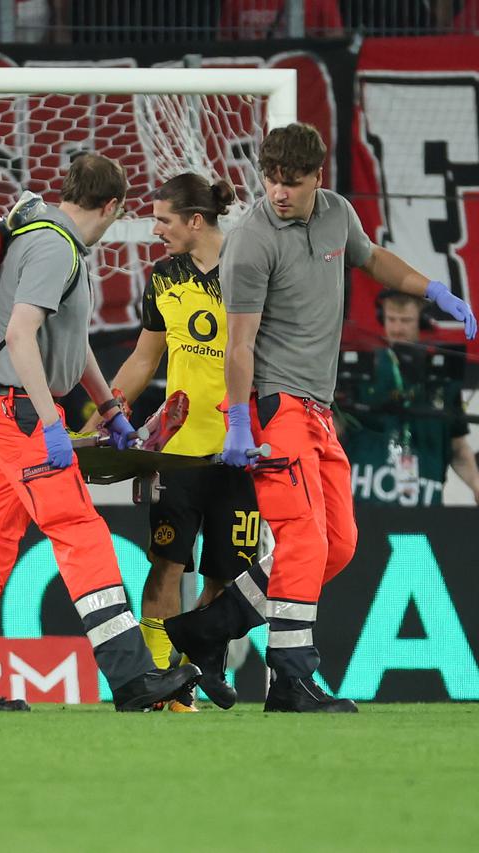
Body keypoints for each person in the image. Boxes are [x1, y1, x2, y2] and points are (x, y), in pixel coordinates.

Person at [171, 122, 477, 713]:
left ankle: (207, 629)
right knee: (303, 539)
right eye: (270, 179)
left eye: (291, 181)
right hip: (274, 406)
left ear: (318, 176)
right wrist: (240, 423)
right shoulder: (251, 240)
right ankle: (291, 680)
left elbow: (374, 259)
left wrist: (433, 290)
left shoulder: (337, 213)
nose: (278, 192)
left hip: (317, 407)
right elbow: (239, 344)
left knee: (338, 544)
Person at [0, 154, 201, 712]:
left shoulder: (48, 239)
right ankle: (132, 676)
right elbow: (21, 336)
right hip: (22, 411)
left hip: (5, 407)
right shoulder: (55, 247)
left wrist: (111, 408)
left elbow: (69, 347)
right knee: (80, 530)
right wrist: (51, 423)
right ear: (111, 206)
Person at [86, 173, 257, 712]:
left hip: (241, 451)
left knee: (225, 576)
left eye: (163, 220)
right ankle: (158, 683)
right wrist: (107, 410)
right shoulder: (164, 277)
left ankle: (192, 679)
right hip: (177, 451)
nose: (154, 229)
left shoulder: (250, 270)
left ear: (195, 221)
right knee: (167, 565)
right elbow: (144, 357)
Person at [339, 291, 479, 507]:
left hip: (424, 509)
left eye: (405, 321)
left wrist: (476, 485)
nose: (397, 328)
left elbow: (458, 449)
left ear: (421, 321)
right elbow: (333, 432)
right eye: (391, 319)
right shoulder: (361, 371)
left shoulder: (441, 377)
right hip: (364, 507)